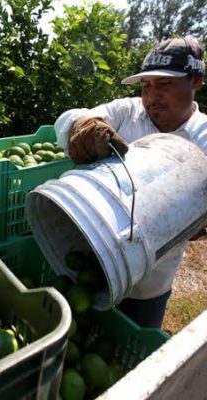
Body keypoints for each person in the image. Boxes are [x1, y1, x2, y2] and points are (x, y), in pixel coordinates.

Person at [54, 36, 207, 329]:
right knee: (86, 333)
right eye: (146, 85)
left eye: (165, 85)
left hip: (150, 281)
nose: (151, 96)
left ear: (196, 81)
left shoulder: (203, 139)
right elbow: (69, 119)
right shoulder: (128, 111)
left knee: (135, 349)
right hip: (94, 257)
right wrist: (82, 128)